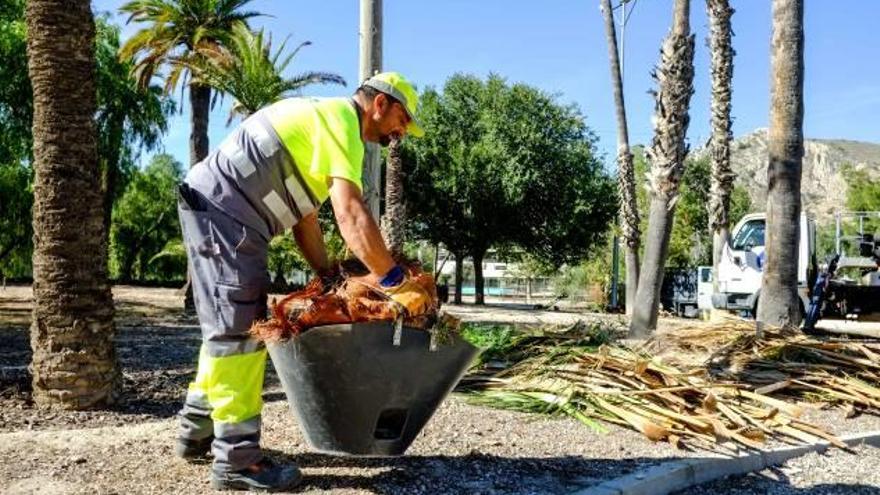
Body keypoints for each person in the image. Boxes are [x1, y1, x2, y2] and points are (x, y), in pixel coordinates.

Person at [174, 72, 432, 491]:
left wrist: (329, 276)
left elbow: (305, 222)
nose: (400, 133)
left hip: (222, 210)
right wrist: (394, 279)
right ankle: (237, 459)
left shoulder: (321, 124)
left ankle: (196, 428)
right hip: (227, 213)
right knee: (239, 330)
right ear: (380, 104)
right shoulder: (343, 123)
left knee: (230, 326)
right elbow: (350, 216)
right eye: (401, 120)